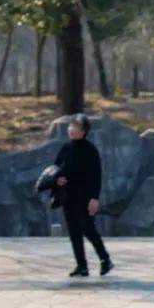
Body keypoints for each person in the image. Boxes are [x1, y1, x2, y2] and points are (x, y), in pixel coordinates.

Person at [55, 114, 113, 278]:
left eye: (77, 128)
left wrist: (95, 198)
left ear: (84, 131)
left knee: (88, 228)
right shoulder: (65, 148)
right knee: (74, 232)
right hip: (68, 196)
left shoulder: (90, 150)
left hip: (85, 197)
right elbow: (55, 169)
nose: (72, 130)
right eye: (71, 126)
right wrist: (57, 180)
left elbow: (96, 176)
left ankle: (105, 259)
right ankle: (81, 265)